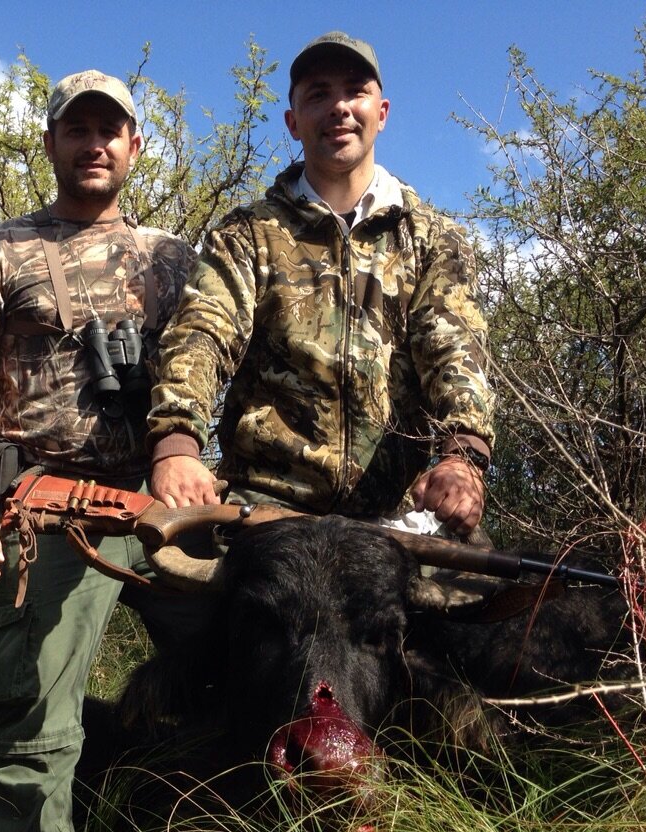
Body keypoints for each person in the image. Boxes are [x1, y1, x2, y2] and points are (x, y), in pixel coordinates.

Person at [0, 69, 205, 832]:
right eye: (76, 129)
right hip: (47, 511)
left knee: (247, 664)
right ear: (51, 142)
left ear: (135, 146)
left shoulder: (174, 259)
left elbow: (211, 368)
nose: (94, 144)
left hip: (165, 512)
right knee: (37, 725)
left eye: (109, 130)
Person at [148, 32, 495, 534]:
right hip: (264, 504)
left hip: (400, 512)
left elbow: (454, 351)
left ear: (382, 111)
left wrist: (463, 458)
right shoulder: (247, 233)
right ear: (293, 123)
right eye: (318, 95)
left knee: (489, 601)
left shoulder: (432, 238)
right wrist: (177, 445)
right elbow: (203, 332)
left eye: (355, 90)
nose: (339, 108)